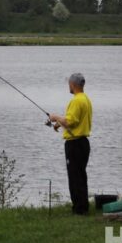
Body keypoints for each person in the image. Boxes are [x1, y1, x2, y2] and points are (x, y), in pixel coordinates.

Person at [48, 73, 92, 215]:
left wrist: (55, 117)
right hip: (83, 143)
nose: (69, 86)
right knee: (80, 176)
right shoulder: (85, 99)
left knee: (75, 177)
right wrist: (59, 124)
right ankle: (82, 207)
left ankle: (79, 210)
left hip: (75, 145)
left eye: (69, 84)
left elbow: (70, 122)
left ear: (73, 84)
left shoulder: (76, 101)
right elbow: (75, 121)